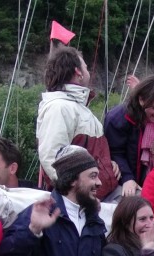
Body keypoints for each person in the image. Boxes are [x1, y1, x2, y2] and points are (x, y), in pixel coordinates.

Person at [36, 46, 119, 198]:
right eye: (86, 68)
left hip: (101, 194)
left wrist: (108, 166)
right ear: (78, 72)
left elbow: (94, 153)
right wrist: (75, 196)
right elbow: (52, 158)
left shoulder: (75, 107)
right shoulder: (59, 107)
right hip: (87, 199)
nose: (89, 71)